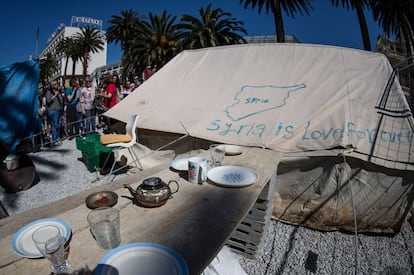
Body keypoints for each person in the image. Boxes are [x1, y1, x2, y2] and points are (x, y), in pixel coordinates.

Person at [45, 80, 64, 146]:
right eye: (55, 84)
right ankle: (54, 140)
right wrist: (55, 95)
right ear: (52, 85)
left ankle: (57, 138)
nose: (57, 85)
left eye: (57, 84)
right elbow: (48, 100)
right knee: (54, 125)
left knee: (58, 125)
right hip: (53, 110)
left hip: (59, 110)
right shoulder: (49, 92)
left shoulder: (57, 91)